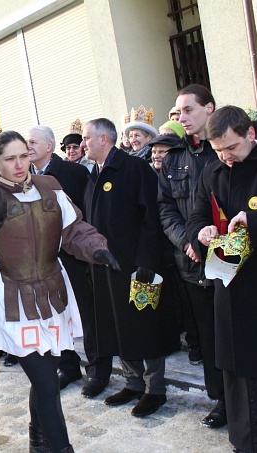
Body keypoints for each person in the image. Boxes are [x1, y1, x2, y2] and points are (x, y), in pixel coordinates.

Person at [0, 130, 118, 453]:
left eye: (24, 155)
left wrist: (96, 248)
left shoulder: (49, 187)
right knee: (47, 381)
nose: (20, 164)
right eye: (10, 159)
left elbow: (74, 229)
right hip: (11, 297)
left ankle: (38, 443)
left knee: (46, 377)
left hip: (52, 292)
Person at [187, 105, 257, 452]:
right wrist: (198, 234)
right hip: (229, 289)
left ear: (250, 133)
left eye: (231, 148)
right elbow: (197, 214)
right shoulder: (213, 171)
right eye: (218, 151)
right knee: (237, 373)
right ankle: (244, 440)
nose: (225, 157)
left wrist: (255, 220)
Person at [80, 118, 177, 417]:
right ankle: (133, 382)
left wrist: (146, 262)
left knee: (145, 326)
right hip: (106, 267)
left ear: (105, 139)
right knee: (117, 326)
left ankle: (155, 389)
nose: (83, 144)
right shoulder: (93, 174)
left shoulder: (134, 169)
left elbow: (152, 219)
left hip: (135, 266)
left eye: (87, 138)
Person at [157, 84, 225, 428]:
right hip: (192, 262)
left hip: (230, 262)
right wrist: (186, 239)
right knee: (209, 336)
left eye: (187, 110)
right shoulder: (173, 158)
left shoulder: (225, 151)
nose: (180, 117)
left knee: (233, 333)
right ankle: (221, 401)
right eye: (177, 112)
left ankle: (244, 398)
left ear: (209, 109)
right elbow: (166, 207)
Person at [27, 125, 95, 390]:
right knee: (55, 315)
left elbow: (85, 215)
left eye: (33, 142)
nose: (28, 146)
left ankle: (97, 369)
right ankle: (68, 365)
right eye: (26, 142)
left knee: (85, 313)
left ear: (49, 146)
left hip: (73, 257)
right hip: (43, 261)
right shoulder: (24, 178)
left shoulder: (74, 173)